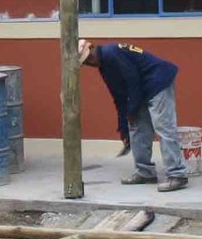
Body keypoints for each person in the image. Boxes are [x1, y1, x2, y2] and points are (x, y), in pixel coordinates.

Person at [79, 39, 188, 191]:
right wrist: (124, 128)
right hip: (142, 87)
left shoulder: (111, 53)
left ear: (92, 48)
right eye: (86, 62)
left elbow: (133, 80)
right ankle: (145, 172)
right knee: (137, 128)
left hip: (158, 81)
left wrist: (131, 111)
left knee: (164, 127)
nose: (90, 62)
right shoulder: (104, 65)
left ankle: (177, 175)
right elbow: (119, 96)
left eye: (89, 58)